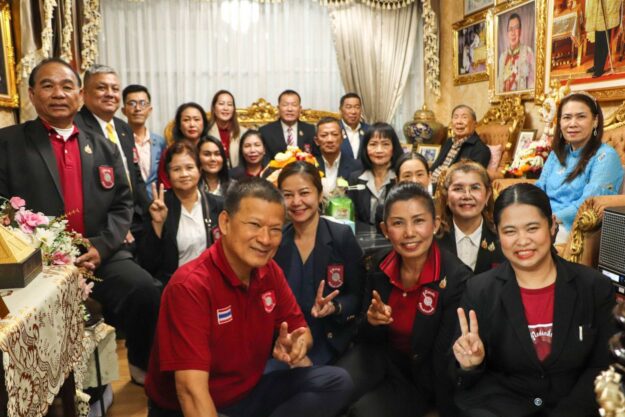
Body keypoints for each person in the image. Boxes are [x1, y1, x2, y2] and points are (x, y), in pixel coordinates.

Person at [0, 58, 160, 385]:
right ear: (31, 94)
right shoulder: (9, 143)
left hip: (99, 254)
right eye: (48, 86)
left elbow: (122, 203)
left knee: (146, 290)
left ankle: (142, 366)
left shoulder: (103, 146)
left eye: (67, 86)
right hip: (37, 263)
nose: (58, 94)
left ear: (80, 95)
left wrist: (101, 246)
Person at [145, 177, 354, 417]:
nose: (265, 239)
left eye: (275, 229)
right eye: (254, 225)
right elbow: (191, 393)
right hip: (189, 407)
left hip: (248, 394)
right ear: (225, 222)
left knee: (336, 382)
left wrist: (297, 345)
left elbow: (300, 330)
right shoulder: (190, 286)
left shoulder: (269, 271)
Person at [452, 183, 615, 417]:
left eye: (532, 228)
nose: (522, 240)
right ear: (498, 233)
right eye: (510, 231)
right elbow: (464, 379)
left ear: (552, 225)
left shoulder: (594, 287)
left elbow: (603, 367)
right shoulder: (479, 290)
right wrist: (470, 365)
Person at [338, 182, 472, 417]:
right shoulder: (378, 264)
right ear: (385, 229)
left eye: (419, 221)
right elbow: (362, 336)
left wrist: (441, 409)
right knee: (331, 391)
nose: (409, 233)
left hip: (418, 377)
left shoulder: (456, 279)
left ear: (435, 224)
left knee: (361, 413)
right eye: (398, 223)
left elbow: (445, 358)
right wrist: (372, 322)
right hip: (377, 358)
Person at [273, 161, 364, 368]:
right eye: (288, 195)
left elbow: (357, 296)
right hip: (286, 346)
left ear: (320, 194)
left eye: (304, 193)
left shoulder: (341, 237)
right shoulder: (276, 242)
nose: (296, 202)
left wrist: (335, 306)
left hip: (330, 343)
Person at [74, 64, 150, 248]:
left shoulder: (123, 128)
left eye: (115, 89)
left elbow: (135, 175)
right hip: (104, 227)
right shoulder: (75, 127)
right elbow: (86, 188)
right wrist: (118, 227)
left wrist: (149, 210)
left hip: (136, 218)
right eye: (102, 88)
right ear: (84, 93)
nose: (110, 94)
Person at [535, 92, 623, 244]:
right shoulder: (557, 154)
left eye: (581, 117)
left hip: (571, 227)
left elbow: (587, 204)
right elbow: (538, 189)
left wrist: (550, 219)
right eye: (567, 117)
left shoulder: (605, 156)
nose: (572, 124)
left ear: (595, 121)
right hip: (541, 219)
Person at [138, 141, 223, 286]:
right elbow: (147, 264)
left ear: (199, 170)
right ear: (168, 174)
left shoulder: (218, 205)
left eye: (189, 167)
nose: (184, 174)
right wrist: (158, 224)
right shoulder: (158, 206)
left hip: (211, 283)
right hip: (173, 286)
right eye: (176, 169)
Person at [436, 160, 504, 274]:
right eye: (458, 188)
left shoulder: (501, 238)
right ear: (446, 196)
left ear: (487, 195)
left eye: (475, 188)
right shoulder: (433, 239)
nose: (467, 196)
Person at [348, 122, 403, 227]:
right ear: (365, 148)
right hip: (363, 235)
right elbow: (352, 216)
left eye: (385, 144)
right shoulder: (355, 178)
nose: (379, 150)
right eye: (373, 144)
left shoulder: (400, 177)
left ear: (393, 148)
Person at [121, 84, 166, 200]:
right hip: (128, 202)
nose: (137, 108)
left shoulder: (160, 142)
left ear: (149, 110)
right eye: (132, 103)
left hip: (154, 201)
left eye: (142, 103)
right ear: (124, 110)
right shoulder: (117, 140)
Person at [430, 105, 490, 186]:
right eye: (455, 117)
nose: (459, 121)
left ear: (475, 124)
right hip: (429, 182)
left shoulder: (481, 149)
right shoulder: (449, 141)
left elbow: (472, 178)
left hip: (446, 187)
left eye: (464, 117)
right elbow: (436, 165)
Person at [157, 102, 210, 189]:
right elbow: (165, 184)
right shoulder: (170, 152)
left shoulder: (211, 149)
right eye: (186, 120)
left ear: (204, 123)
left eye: (196, 119)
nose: (192, 124)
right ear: (179, 126)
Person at [259, 90, 316, 159]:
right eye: (285, 105)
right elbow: (263, 159)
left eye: (294, 105)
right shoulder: (265, 131)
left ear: (300, 109)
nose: (289, 109)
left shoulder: (310, 130)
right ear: (278, 108)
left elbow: (317, 156)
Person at [314, 117, 362, 197]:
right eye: (324, 135)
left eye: (335, 134)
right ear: (316, 141)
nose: (330, 140)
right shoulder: (310, 165)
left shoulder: (357, 166)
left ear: (342, 138)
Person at [207, 90, 247, 167]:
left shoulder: (244, 133)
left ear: (233, 109)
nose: (226, 108)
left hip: (237, 173)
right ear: (214, 108)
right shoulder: (205, 131)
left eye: (229, 104)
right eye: (221, 104)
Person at [497, 13, 535, 93]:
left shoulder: (528, 52)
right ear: (507, 33)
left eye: (516, 28)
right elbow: (499, 86)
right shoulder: (502, 57)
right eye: (510, 29)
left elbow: (533, 84)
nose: (513, 33)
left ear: (520, 31)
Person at [584, 0, 622, 78]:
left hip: (607, 8)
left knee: (603, 38)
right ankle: (596, 65)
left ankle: (600, 68)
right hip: (598, 8)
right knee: (598, 37)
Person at [339, 93, 370, 160]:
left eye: (357, 107)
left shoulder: (369, 130)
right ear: (340, 110)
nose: (353, 112)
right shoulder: (334, 130)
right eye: (349, 107)